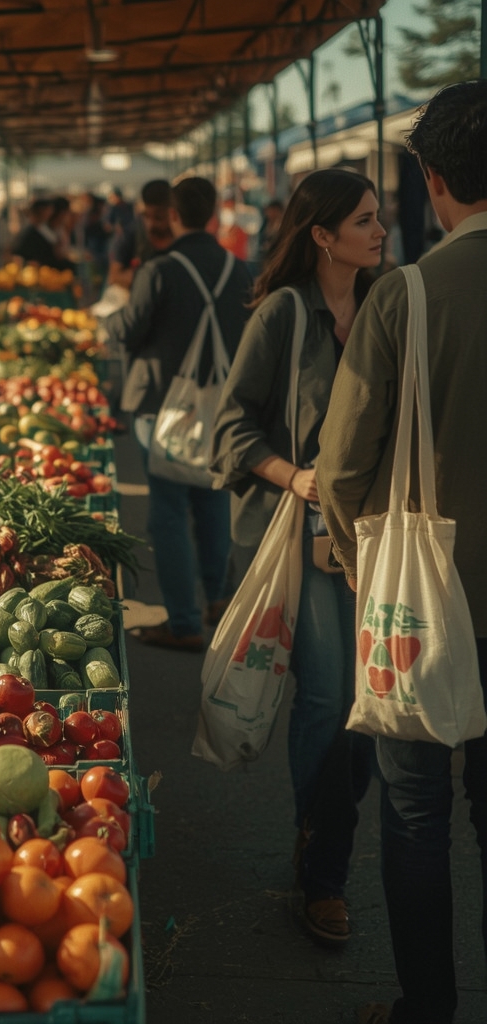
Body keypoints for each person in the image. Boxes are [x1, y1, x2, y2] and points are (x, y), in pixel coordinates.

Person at [316, 82, 487, 1024]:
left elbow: (343, 468)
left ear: (433, 181)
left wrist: (352, 559)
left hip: (424, 607)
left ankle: (428, 1007)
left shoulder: (406, 297)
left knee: (417, 813)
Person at [211, 167, 385, 948]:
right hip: (308, 535)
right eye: (364, 220)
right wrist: (296, 476)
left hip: (381, 537)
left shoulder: (388, 305)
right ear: (322, 235)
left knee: (375, 706)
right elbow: (230, 428)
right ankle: (323, 875)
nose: (380, 231)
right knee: (326, 699)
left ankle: (323, 832)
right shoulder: (283, 313)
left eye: (380, 217)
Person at [103, 177, 252, 651]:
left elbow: (127, 331)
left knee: (167, 514)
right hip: (220, 406)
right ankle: (219, 601)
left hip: (163, 407)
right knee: (210, 502)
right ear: (211, 214)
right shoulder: (239, 269)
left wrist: (107, 319)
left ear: (172, 214)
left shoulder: (160, 271)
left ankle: (184, 621)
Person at [108, 179, 173, 288]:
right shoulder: (131, 233)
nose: (151, 224)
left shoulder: (178, 234)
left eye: (159, 217)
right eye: (146, 216)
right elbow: (114, 276)